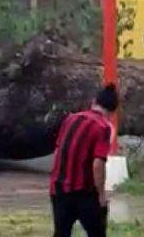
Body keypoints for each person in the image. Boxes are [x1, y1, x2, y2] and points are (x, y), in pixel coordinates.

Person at [49, 84, 119, 237]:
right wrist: (101, 195)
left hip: (59, 188)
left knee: (61, 233)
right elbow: (98, 164)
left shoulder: (70, 119)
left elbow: (59, 149)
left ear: (93, 102)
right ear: (112, 112)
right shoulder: (102, 127)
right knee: (97, 233)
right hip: (83, 192)